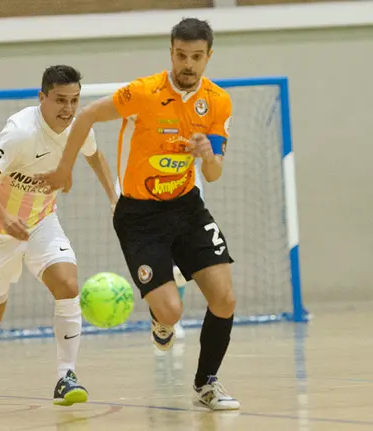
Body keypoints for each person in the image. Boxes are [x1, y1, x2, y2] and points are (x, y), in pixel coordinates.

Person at [38, 18, 240, 411]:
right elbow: (87, 116)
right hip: (139, 215)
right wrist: (65, 168)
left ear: (208, 57)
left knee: (225, 298)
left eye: (197, 57)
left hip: (186, 205)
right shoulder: (143, 92)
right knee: (172, 311)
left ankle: (206, 383)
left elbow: (214, 175)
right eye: (181, 55)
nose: (188, 64)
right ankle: (161, 320)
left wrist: (207, 155)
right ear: (171, 52)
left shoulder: (217, 101)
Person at [0, 65, 119, 406]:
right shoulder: (20, 132)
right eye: (59, 100)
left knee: (68, 284)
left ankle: (65, 375)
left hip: (42, 221)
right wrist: (5, 216)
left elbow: (96, 157)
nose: (68, 109)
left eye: (74, 100)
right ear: (42, 98)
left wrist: (117, 201)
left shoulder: (78, 126)